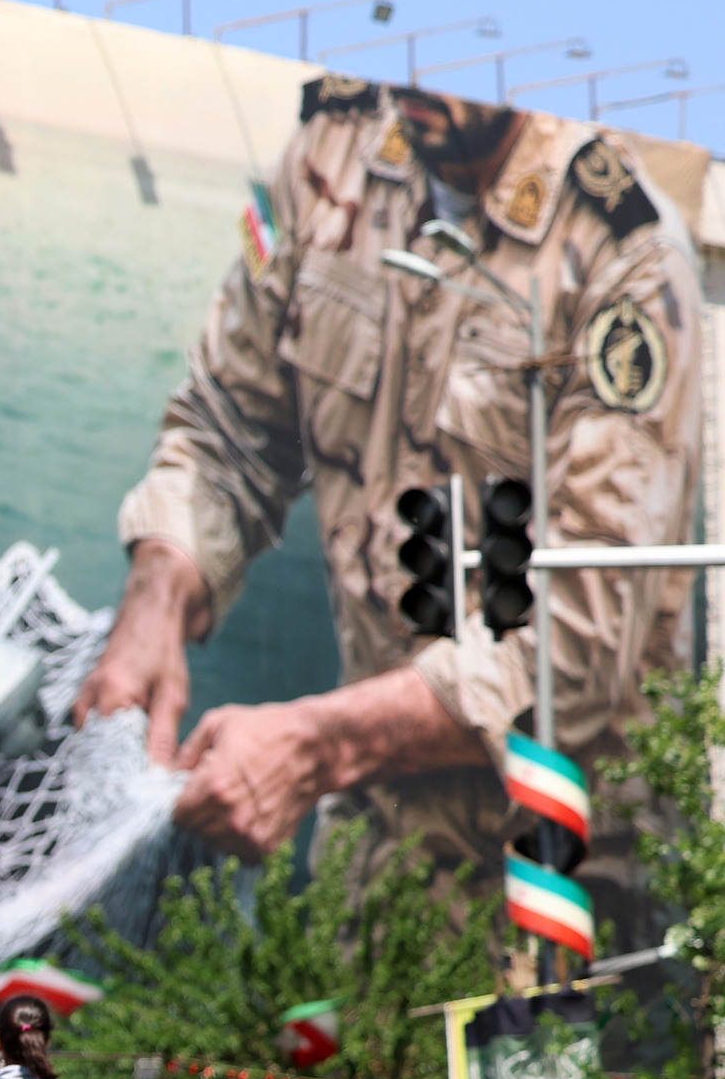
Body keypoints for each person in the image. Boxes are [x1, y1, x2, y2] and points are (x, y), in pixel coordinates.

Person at [73, 80, 703, 909]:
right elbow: (230, 427)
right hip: (367, 855)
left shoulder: (626, 255)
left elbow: (580, 642)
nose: (412, 77)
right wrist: (157, 595)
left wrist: (314, 746)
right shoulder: (333, 156)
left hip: (558, 879)